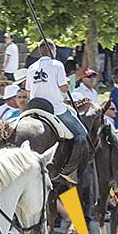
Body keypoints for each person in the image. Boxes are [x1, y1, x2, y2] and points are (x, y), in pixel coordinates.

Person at [25, 40, 87, 183]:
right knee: (82, 134)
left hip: (34, 107)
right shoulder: (57, 64)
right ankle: (69, 170)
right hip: (55, 109)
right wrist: (67, 82)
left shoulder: (31, 67)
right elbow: (64, 88)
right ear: (53, 50)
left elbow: (28, 92)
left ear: (40, 52)